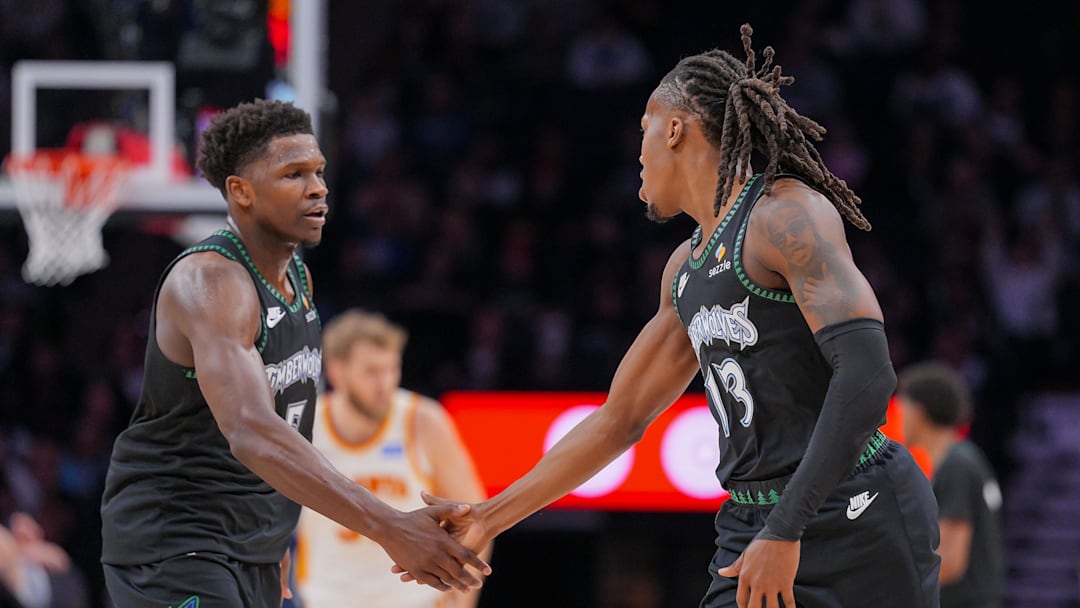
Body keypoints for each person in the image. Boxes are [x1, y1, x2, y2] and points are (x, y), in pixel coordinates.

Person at [410, 24, 940, 607]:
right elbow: (619, 419)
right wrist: (489, 516)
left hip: (854, 506)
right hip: (754, 519)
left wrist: (787, 528)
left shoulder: (785, 217)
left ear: (675, 128)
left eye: (643, 131)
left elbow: (868, 378)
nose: (637, 154)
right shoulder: (685, 270)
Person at [100, 99, 489, 608]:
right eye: (293, 174)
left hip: (248, 550)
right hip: (176, 546)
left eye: (319, 171)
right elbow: (252, 432)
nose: (319, 187)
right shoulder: (212, 283)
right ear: (240, 191)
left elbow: (290, 423)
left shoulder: (297, 278)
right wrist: (389, 526)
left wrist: (275, 534)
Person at [295, 310, 489, 608]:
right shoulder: (306, 424)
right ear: (337, 371)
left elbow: (475, 517)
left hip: (414, 601)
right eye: (372, 371)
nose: (384, 382)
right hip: (328, 598)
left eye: (391, 369)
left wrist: (464, 602)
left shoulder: (423, 420)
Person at [897, 362, 1004, 608]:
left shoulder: (956, 465)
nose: (899, 414)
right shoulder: (965, 458)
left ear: (920, 411)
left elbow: (951, 560)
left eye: (903, 405)